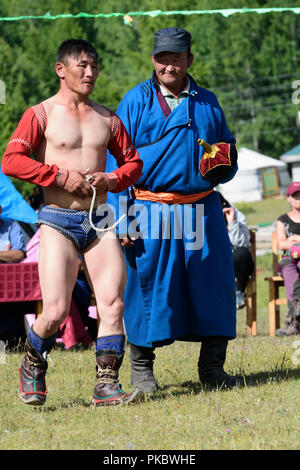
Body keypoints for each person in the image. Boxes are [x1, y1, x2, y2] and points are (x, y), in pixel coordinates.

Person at [1, 38, 143, 406]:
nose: (90, 72)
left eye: (95, 66)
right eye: (83, 65)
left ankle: (106, 385)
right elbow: (11, 160)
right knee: (55, 312)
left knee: (112, 304)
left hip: (100, 218)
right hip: (57, 221)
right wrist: (58, 176)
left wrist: (111, 180)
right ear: (61, 70)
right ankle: (33, 363)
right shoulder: (41, 114)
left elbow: (133, 164)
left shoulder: (107, 117)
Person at [105, 27, 240, 396]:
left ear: (189, 61)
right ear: (153, 61)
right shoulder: (134, 101)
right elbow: (115, 162)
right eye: (162, 58)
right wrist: (120, 215)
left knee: (213, 286)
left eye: (176, 58)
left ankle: (212, 369)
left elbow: (226, 148)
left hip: (202, 209)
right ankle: (142, 373)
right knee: (147, 289)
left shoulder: (209, 101)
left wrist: (226, 162)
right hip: (150, 209)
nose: (169, 66)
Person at [217, 192, 254, 310]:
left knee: (241, 253)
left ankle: (239, 293)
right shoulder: (203, 217)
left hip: (240, 262)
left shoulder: (237, 215)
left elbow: (241, 244)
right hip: (218, 262)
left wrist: (232, 222)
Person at [275, 182, 300, 336]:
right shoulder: (282, 220)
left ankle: (293, 324)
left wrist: (295, 239)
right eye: (295, 196)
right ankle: (295, 316)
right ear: (288, 198)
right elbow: (281, 244)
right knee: (288, 265)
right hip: (289, 258)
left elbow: (287, 241)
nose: (298, 199)